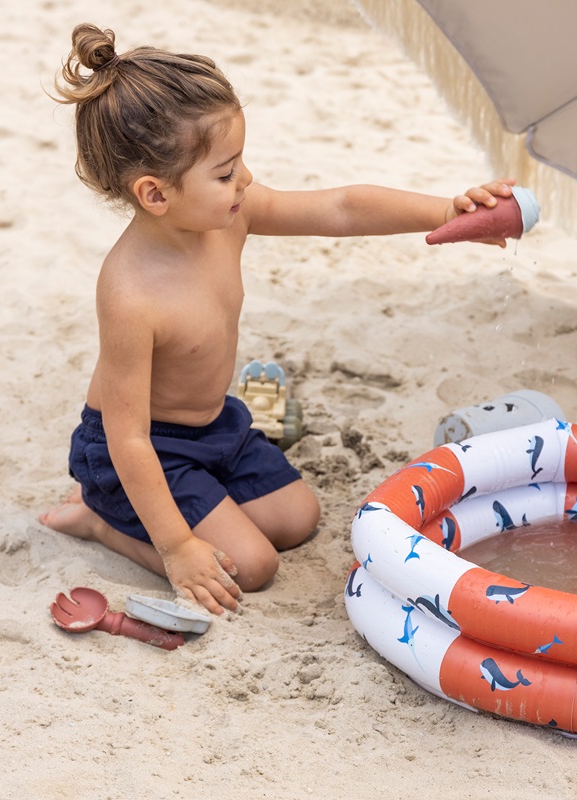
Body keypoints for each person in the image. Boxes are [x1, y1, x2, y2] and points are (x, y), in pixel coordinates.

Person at [40, 23, 515, 616]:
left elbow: (340, 207)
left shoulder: (228, 214)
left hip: (215, 428)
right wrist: (178, 547)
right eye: (224, 171)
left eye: (241, 162)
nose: (244, 180)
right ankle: (102, 521)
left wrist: (447, 211)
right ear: (155, 194)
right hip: (139, 450)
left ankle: (169, 515)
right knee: (256, 566)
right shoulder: (130, 293)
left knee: (297, 519)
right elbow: (128, 436)